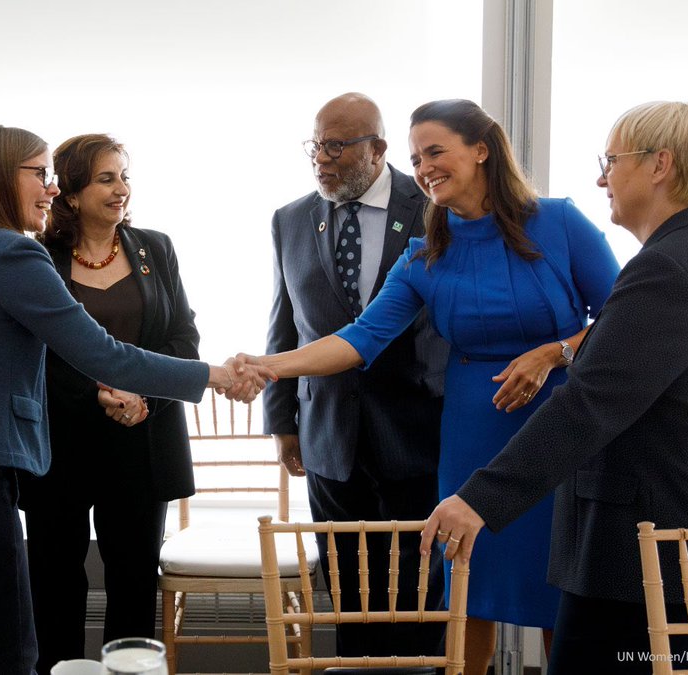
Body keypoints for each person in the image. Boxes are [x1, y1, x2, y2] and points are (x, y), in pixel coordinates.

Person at [250, 98, 621, 672]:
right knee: (467, 592)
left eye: (435, 152)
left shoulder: (559, 221)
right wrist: (267, 366)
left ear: (481, 150)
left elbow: (623, 320)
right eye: (418, 157)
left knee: (556, 594)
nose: (423, 168)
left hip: (556, 432)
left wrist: (554, 353)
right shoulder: (426, 252)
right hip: (471, 434)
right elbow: (358, 338)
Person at [0, 124, 266, 674]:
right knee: (10, 649)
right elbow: (105, 355)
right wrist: (216, 378)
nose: (51, 189)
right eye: (39, 174)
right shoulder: (11, 253)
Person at [422, 101, 688, 674]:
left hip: (647, 551)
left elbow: (586, 407)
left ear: (660, 165)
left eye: (611, 160)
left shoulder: (665, 272)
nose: (601, 177)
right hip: (676, 542)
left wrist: (479, 499)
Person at [264, 92, 449, 658]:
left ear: (378, 149)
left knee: (419, 593)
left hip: (419, 428)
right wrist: (283, 420)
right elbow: (284, 322)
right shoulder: (291, 219)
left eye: (337, 146)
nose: (322, 158)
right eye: (317, 145)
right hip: (328, 434)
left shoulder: (435, 207)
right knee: (348, 591)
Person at [17, 134, 199, 671]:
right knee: (53, 585)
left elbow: (183, 340)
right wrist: (97, 392)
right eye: (106, 178)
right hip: (59, 448)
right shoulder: (37, 257)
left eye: (124, 176)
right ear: (70, 193)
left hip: (141, 441)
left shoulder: (155, 248)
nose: (122, 189)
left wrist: (138, 394)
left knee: (134, 584)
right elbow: (32, 354)